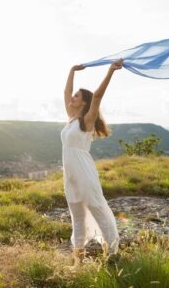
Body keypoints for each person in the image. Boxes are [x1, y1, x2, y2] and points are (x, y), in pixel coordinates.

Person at [61, 58, 123, 269]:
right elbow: (65, 93)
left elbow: (97, 96)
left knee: (98, 210)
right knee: (77, 217)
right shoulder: (71, 118)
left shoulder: (86, 121)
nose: (72, 97)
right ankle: (77, 261)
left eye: (76, 96)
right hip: (70, 176)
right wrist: (71, 71)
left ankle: (113, 254)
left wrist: (111, 71)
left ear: (84, 102)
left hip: (84, 173)